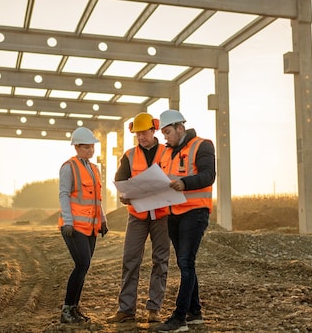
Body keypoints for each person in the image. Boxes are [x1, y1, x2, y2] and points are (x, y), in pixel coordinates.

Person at [153, 109, 216, 333]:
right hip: (174, 214)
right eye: (163, 134)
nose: (165, 138)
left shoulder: (202, 145)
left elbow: (209, 175)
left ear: (180, 128)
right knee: (184, 263)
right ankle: (195, 313)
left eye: (168, 132)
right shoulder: (166, 153)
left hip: (195, 213)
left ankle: (179, 318)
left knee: (186, 262)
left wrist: (185, 183)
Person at [107, 112, 170, 324]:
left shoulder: (168, 152)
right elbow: (120, 180)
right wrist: (125, 196)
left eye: (144, 133)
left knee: (160, 261)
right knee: (130, 259)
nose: (141, 137)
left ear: (154, 130)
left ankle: (154, 309)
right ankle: (126, 310)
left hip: (162, 215)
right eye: (137, 134)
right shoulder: (129, 155)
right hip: (137, 214)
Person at [58, 126, 108, 324]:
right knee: (82, 264)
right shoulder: (68, 167)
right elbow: (63, 194)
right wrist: (68, 221)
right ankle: (67, 310)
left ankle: (74, 308)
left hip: (91, 226)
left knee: (84, 267)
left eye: (92, 147)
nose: (91, 150)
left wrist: (102, 219)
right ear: (77, 147)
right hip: (73, 227)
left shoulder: (94, 169)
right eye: (86, 147)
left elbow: (97, 198)